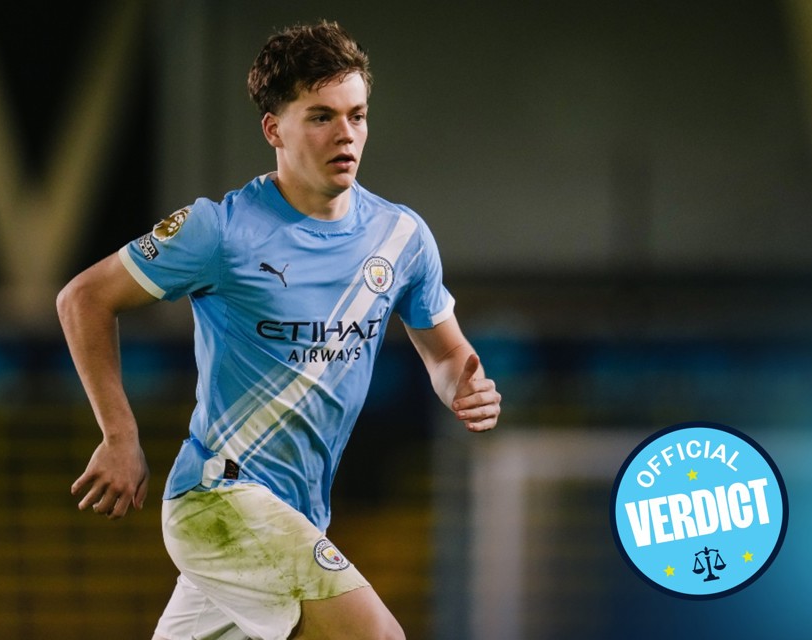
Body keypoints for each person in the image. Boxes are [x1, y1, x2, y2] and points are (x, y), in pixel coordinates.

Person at [56, 19, 500, 640]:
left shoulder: (402, 238)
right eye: (321, 116)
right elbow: (83, 299)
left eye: (357, 115)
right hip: (221, 500)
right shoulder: (219, 231)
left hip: (297, 517)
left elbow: (447, 353)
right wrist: (119, 433)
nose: (345, 133)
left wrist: (463, 386)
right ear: (274, 129)